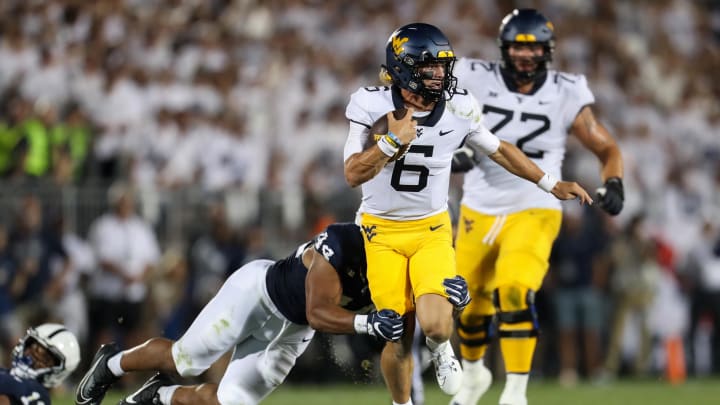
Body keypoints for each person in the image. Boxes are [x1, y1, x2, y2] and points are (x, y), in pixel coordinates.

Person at [343, 22, 592, 405]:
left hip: (431, 228)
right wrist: (391, 142)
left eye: (444, 65)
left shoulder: (459, 105)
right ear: (406, 67)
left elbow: (499, 149)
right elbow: (353, 172)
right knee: (394, 331)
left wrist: (549, 183)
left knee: (438, 326)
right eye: (430, 67)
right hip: (380, 231)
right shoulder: (370, 103)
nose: (441, 74)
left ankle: (442, 348)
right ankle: (402, 403)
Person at [74, 222, 469, 405]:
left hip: (293, 333)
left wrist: (451, 304)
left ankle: (159, 396)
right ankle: (112, 364)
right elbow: (317, 311)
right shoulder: (345, 241)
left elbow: (406, 333)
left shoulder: (412, 272)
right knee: (187, 358)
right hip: (259, 295)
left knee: (231, 402)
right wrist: (368, 322)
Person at [448, 9, 625, 405]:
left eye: (533, 48)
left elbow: (605, 146)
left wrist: (613, 179)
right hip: (479, 204)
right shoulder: (473, 76)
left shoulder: (566, 90)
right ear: (503, 48)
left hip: (537, 203)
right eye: (517, 46)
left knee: (514, 289)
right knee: (467, 303)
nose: (525, 56)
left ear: (548, 51)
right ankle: (475, 375)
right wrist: (454, 149)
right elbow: (436, 112)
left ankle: (515, 391)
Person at [1, 323, 80, 405]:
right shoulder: (3, 371)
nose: (32, 358)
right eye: (33, 348)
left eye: (46, 358)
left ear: (57, 371)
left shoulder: (37, 393)